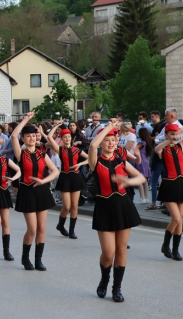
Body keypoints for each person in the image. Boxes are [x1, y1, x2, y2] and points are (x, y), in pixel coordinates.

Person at [88, 120, 145, 302]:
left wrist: (129, 182)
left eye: (113, 140)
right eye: (107, 140)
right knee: (108, 252)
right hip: (104, 207)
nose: (111, 143)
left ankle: (117, 288)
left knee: (121, 250)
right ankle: (105, 279)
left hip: (123, 206)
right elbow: (93, 144)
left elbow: (141, 177)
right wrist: (109, 128)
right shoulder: (95, 162)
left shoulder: (121, 161)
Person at [11, 112, 59, 271]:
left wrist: (44, 181)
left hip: (42, 191)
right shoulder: (21, 154)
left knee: (42, 228)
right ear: (23, 138)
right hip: (27, 192)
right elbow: (13, 136)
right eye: (28, 136)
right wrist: (26, 120)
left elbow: (55, 171)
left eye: (34, 135)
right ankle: (25, 258)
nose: (32, 138)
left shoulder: (42, 154)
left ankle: (38, 260)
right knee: (32, 229)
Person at [156, 124, 183, 261]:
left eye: (175, 133)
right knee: (176, 218)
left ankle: (175, 250)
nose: (174, 135)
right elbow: (157, 149)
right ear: (166, 134)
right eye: (170, 133)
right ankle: (165, 245)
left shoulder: (180, 146)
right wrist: (170, 139)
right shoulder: (163, 148)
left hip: (182, 184)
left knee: (180, 221)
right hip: (169, 184)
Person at [47, 124, 88, 239]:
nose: (67, 139)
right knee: (66, 206)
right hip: (65, 178)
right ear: (61, 138)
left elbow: (90, 158)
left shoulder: (77, 150)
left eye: (69, 137)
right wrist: (57, 125)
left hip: (75, 178)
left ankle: (71, 231)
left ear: (71, 138)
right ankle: (60, 225)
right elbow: (50, 137)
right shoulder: (60, 150)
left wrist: (80, 164)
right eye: (64, 137)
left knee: (74, 206)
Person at [135, 128, 153, 204]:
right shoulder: (147, 142)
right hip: (145, 160)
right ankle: (146, 197)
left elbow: (135, 149)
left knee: (139, 179)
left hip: (140, 160)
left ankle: (142, 198)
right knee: (145, 180)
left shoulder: (142, 142)